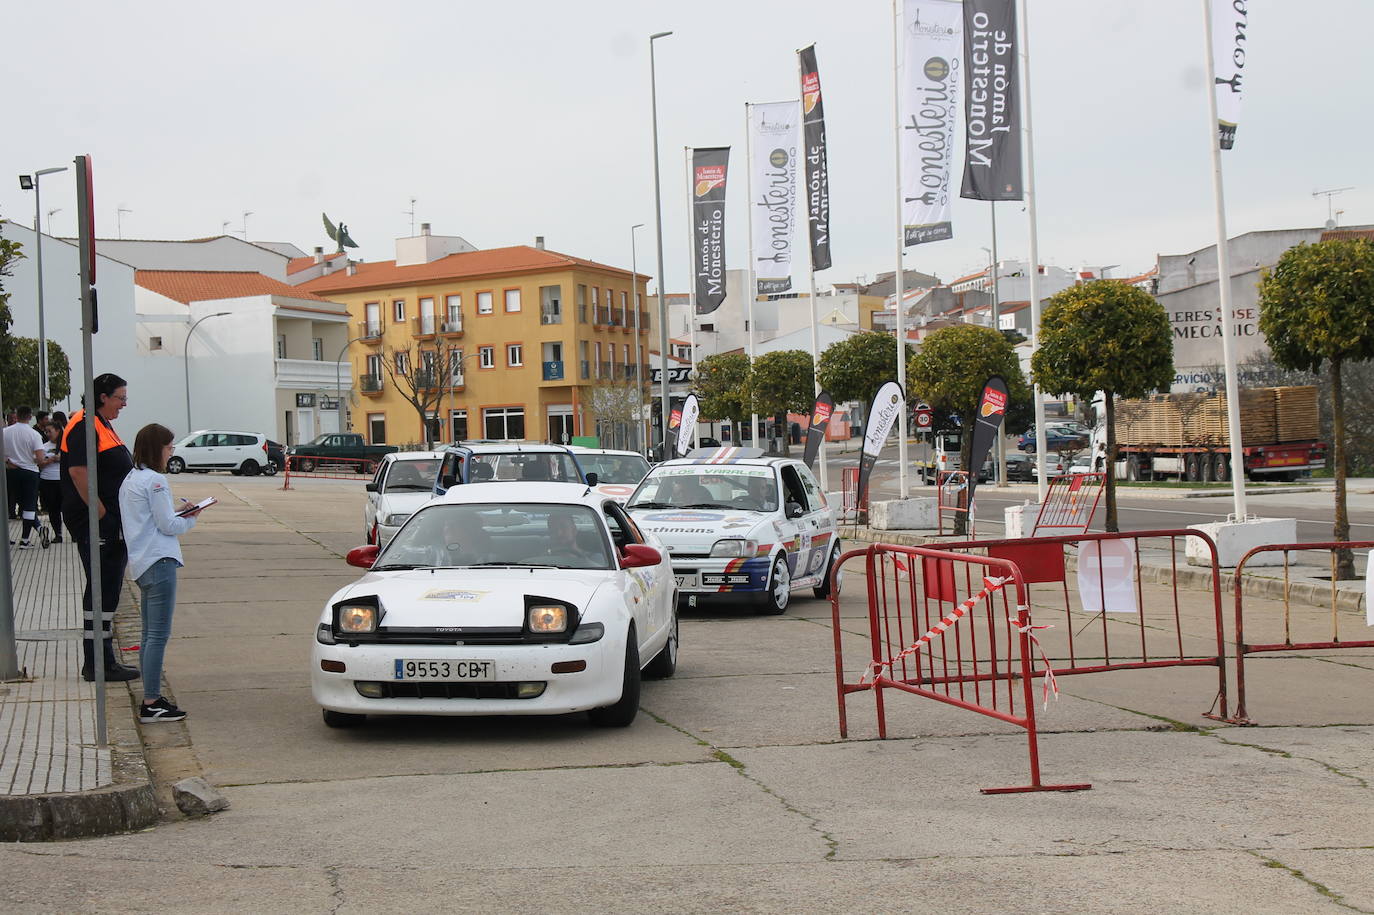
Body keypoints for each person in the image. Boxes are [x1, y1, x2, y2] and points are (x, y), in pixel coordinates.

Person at [120, 423, 205, 722]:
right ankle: (152, 701)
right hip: (160, 560)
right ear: (157, 449)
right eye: (169, 447)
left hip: (142, 561)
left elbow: (151, 518)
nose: (171, 452)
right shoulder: (156, 480)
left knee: (148, 635)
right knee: (158, 635)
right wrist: (192, 518)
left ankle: (151, 694)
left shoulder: (131, 478)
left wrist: (179, 513)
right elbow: (168, 525)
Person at [61, 373, 139, 682]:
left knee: (107, 591)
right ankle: (98, 663)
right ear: (103, 397)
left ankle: (104, 660)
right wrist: (103, 515)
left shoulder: (101, 423)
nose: (124, 404)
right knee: (101, 590)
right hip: (96, 523)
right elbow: (79, 472)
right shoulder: (84, 426)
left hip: (110, 522)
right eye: (121, 398)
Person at [3, 406, 46, 548]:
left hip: (11, 471)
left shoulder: (5, 432)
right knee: (29, 505)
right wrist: (32, 459)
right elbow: (40, 458)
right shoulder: (34, 434)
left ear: (17, 415)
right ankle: (25, 539)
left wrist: (8, 461)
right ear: (30, 416)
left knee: (20, 503)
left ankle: (38, 529)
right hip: (30, 471)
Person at [36, 421, 63, 543]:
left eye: (50, 431)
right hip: (48, 480)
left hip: (62, 480)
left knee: (67, 507)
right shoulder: (44, 447)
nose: (48, 434)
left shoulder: (65, 444)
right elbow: (39, 463)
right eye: (46, 432)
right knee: (53, 509)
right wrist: (50, 460)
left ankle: (74, 533)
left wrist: (61, 459)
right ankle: (58, 533)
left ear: (58, 431)